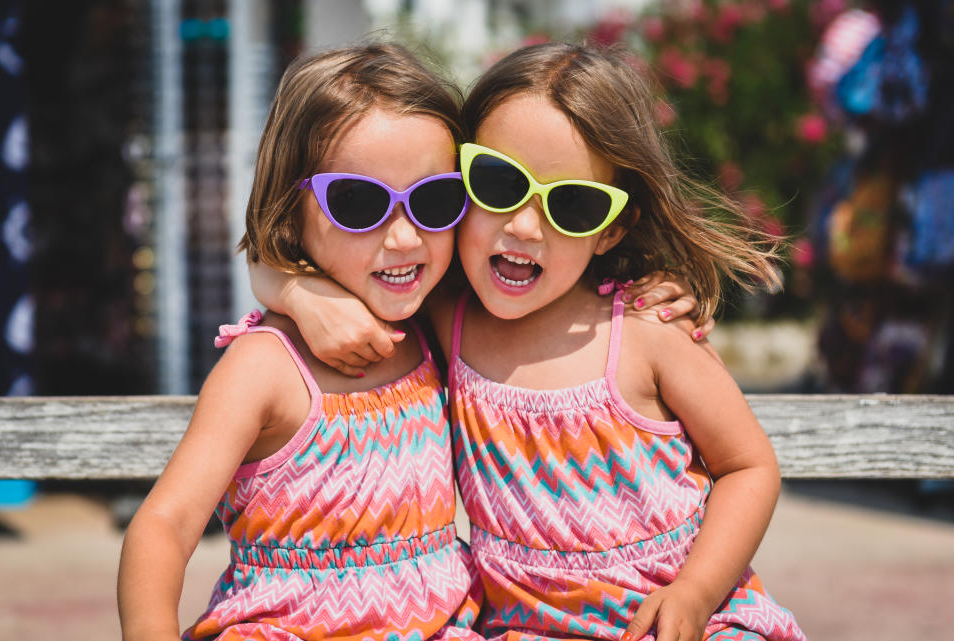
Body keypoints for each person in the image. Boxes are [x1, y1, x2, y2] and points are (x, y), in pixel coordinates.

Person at [253, 42, 806, 641]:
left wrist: (696, 593)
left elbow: (749, 466)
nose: (523, 225)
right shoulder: (442, 316)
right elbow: (272, 253)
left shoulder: (647, 328)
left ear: (612, 227)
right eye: (497, 182)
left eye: (572, 203)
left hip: (688, 618)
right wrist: (300, 296)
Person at [116, 43, 486, 641]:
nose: (403, 236)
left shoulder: (440, 327)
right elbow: (165, 523)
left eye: (435, 199)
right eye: (358, 202)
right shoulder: (265, 366)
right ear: (291, 209)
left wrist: (655, 285)